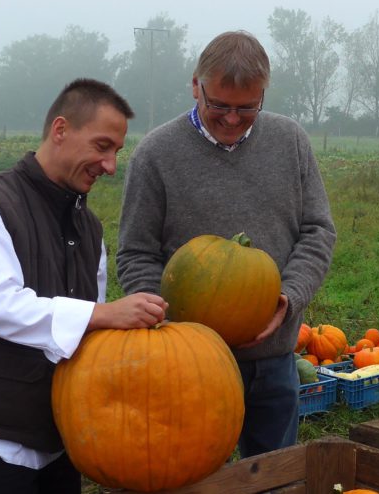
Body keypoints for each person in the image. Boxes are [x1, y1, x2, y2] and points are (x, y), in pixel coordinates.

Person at [0, 78, 167, 493]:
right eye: (102, 146)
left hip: (58, 435)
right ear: (60, 130)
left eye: (117, 153)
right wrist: (105, 314)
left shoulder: (89, 228)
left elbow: (89, 337)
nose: (110, 166)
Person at [116, 31, 337, 458]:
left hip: (273, 357)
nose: (232, 119)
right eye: (219, 105)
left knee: (272, 473)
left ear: (263, 95)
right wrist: (165, 324)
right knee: (191, 474)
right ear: (195, 85)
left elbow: (318, 231)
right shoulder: (156, 154)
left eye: (247, 107)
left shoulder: (289, 141)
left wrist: (287, 300)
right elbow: (135, 252)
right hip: (188, 361)